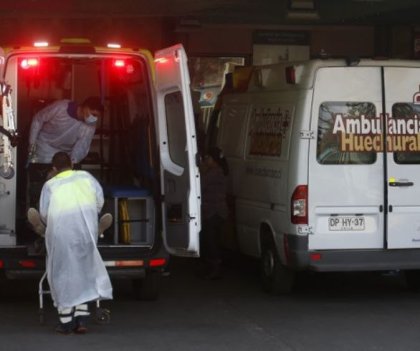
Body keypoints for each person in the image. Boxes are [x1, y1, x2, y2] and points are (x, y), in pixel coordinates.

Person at [39, 151, 112, 334]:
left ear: (54, 168)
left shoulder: (50, 185)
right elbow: (99, 201)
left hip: (61, 235)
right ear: (72, 163)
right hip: (86, 232)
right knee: (84, 273)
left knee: (62, 275)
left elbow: (45, 213)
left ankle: (66, 323)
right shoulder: (87, 177)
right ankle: (82, 322)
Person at [28, 96, 104, 165]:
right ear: (86, 108)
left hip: (65, 156)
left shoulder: (90, 126)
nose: (95, 119)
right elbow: (38, 119)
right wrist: (32, 144)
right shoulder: (61, 107)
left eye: (97, 116)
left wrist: (72, 161)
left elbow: (82, 146)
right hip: (43, 149)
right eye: (94, 114)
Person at [199, 146, 229, 280]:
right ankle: (212, 267)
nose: (206, 160)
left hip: (214, 212)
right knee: (212, 240)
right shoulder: (216, 171)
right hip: (216, 212)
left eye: (207, 158)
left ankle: (214, 269)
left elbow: (200, 184)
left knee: (211, 241)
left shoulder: (214, 172)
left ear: (214, 159)